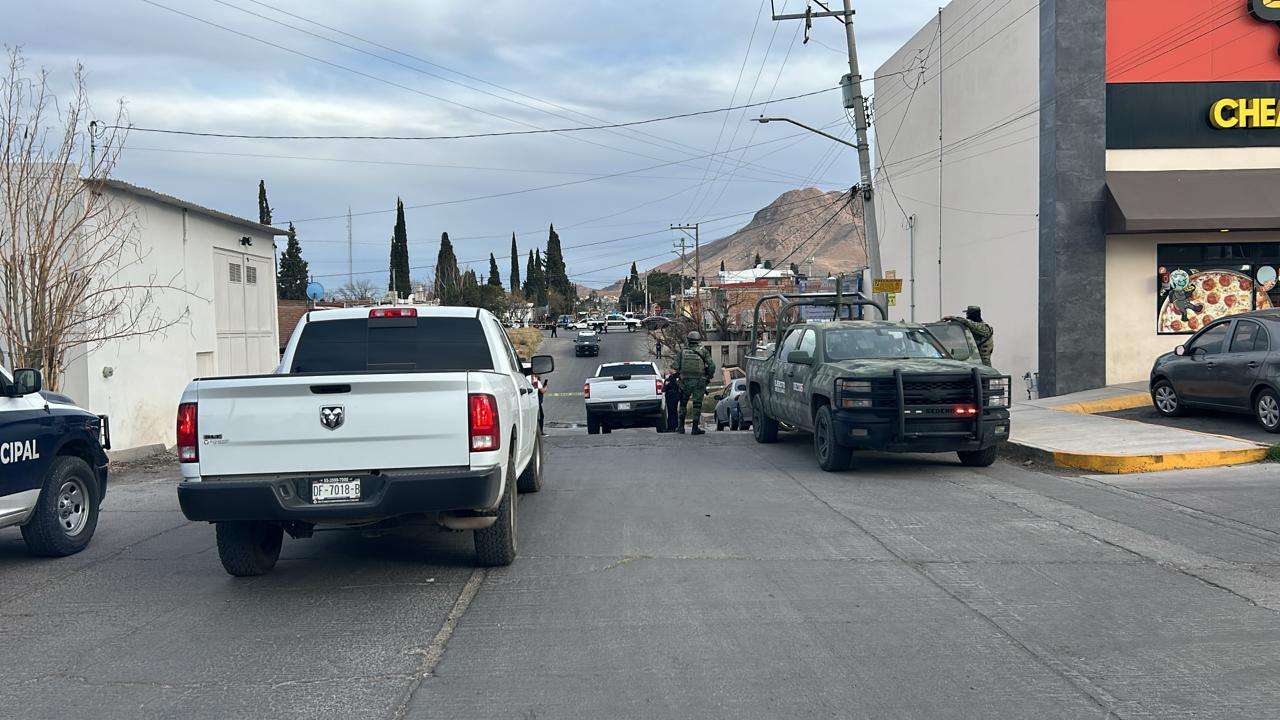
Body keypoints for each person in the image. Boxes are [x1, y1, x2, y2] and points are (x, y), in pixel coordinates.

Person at [674, 331, 715, 435]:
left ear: (688, 340)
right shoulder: (703, 351)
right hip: (699, 382)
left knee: (683, 404)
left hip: (685, 382)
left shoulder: (682, 352)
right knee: (697, 405)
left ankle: (680, 427)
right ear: (698, 341)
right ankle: (695, 428)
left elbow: (675, 366)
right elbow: (712, 366)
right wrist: (708, 377)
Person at [662, 366, 682, 433]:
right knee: (672, 411)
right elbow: (664, 388)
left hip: (672, 395)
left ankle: (672, 427)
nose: (669, 370)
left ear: (674, 369)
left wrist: (667, 384)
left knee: (672, 412)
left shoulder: (675, 377)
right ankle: (673, 426)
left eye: (670, 369)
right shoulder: (674, 377)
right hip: (672, 395)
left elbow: (665, 387)